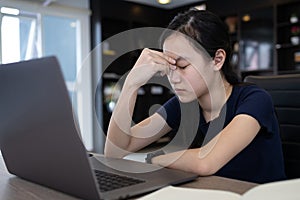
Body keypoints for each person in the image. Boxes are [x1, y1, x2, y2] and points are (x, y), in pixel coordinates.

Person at [104, 9, 286, 183]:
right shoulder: (182, 105)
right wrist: (131, 84)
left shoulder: (255, 99)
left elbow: (206, 162)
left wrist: (156, 158)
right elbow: (114, 152)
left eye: (182, 66)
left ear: (217, 60)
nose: (173, 79)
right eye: (170, 67)